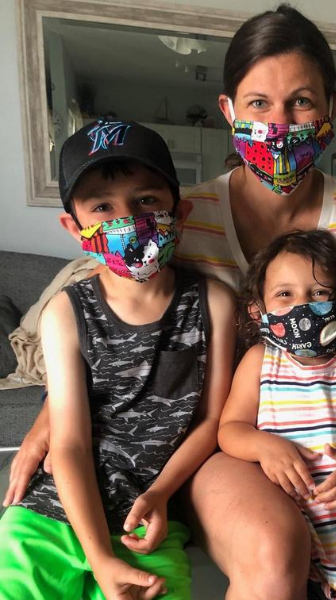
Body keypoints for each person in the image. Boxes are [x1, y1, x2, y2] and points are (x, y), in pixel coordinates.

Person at [4, 6, 336, 600]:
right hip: (221, 437)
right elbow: (108, 308)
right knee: (272, 545)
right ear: (228, 111)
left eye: (302, 102)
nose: (279, 123)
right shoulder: (176, 216)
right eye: (258, 103)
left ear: (332, 108)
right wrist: (53, 414)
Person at [0, 120, 236, 600]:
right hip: (51, 514)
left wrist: (161, 494)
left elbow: (211, 419)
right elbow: (68, 443)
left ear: (179, 213)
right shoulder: (65, 312)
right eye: (102, 207)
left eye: (146, 200)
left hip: (148, 518)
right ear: (75, 228)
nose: (127, 218)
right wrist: (98, 556)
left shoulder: (214, 303)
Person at [219, 229, 336, 599]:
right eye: (285, 294)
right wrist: (264, 446)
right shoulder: (259, 361)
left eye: (319, 293)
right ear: (257, 310)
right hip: (288, 532)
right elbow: (230, 429)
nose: (302, 306)